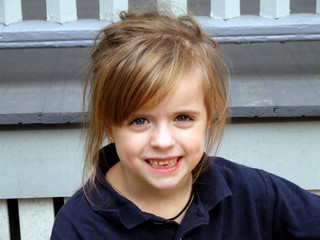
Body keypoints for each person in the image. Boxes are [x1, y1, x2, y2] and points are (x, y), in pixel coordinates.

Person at [51, 9, 320, 240]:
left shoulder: (252, 193)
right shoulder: (79, 227)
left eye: (182, 118)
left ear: (209, 115)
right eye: (139, 120)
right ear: (108, 124)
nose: (163, 140)